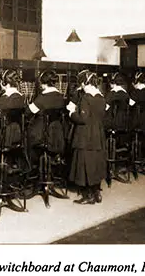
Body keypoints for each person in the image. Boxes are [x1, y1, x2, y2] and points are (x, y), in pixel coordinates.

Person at [67, 70, 107, 204]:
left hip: (85, 135)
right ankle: (97, 192)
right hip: (98, 135)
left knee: (84, 163)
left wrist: (72, 113)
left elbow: (82, 118)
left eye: (82, 84)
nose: (81, 87)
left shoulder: (85, 97)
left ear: (85, 83)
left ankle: (88, 195)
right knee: (95, 163)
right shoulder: (101, 97)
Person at [26, 69, 66, 163]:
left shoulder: (42, 98)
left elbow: (28, 112)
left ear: (43, 83)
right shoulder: (60, 97)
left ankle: (31, 166)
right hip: (57, 134)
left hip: (41, 134)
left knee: (27, 134)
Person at [129, 72, 145, 176]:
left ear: (136, 81)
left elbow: (130, 105)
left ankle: (133, 159)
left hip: (137, 121)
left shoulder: (136, 92)